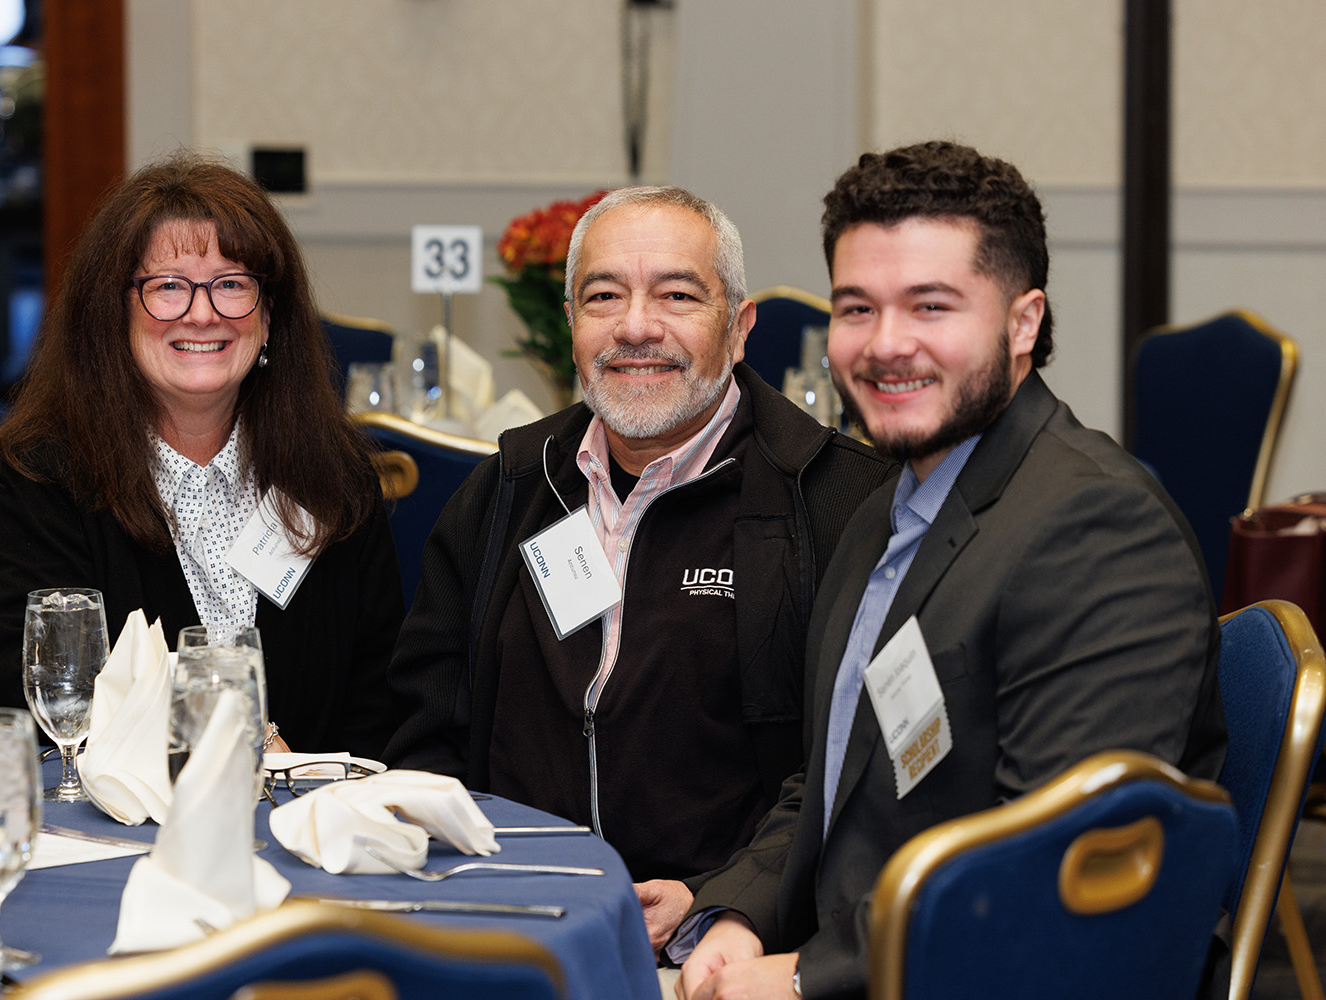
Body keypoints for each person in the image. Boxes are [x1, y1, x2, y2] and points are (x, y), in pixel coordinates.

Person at [673, 141, 1227, 1000]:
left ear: (1023, 322)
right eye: (857, 309)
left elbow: (1048, 875)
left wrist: (799, 979)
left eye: (931, 306)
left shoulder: (1098, 529)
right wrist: (739, 915)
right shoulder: (888, 506)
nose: (885, 345)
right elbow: (835, 777)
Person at [383, 186, 898, 948]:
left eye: (677, 294)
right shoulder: (510, 490)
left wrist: (722, 901)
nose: (634, 327)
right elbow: (425, 728)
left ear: (739, 326)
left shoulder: (836, 503)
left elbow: (856, 766)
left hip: (725, 946)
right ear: (571, 326)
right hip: (512, 927)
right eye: (603, 296)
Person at [0, 154, 403, 757]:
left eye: (232, 284)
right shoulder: (35, 480)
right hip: (100, 839)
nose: (203, 312)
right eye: (168, 287)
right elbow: (23, 690)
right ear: (115, 313)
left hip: (311, 837)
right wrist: (240, 741)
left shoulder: (334, 479)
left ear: (270, 317)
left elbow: (384, 700)